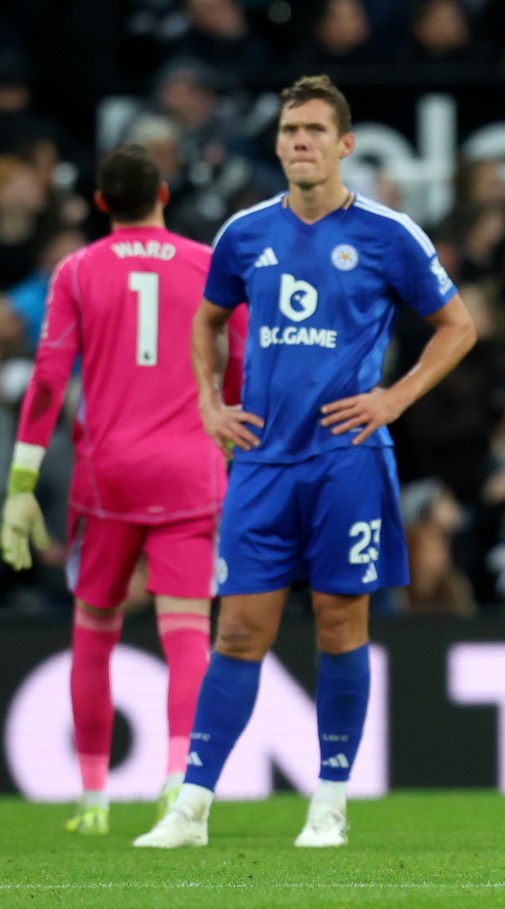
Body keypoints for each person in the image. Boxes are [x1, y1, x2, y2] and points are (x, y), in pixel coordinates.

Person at [134, 74, 476, 849]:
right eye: (290, 130)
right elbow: (208, 319)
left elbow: (457, 326)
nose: (299, 142)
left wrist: (393, 397)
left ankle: (329, 799)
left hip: (347, 460)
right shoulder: (245, 232)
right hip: (262, 461)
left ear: (343, 144)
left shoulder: (389, 233)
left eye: (315, 131)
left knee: (338, 622)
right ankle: (191, 806)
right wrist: (208, 405)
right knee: (238, 632)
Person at [0, 143, 246, 834]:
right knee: (188, 632)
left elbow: (48, 378)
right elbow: (242, 353)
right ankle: (177, 778)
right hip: (188, 467)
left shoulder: (75, 270)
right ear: (163, 194)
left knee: (94, 631)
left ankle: (93, 797)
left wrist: (21, 484)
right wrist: (227, 420)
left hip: (105, 476)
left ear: (101, 203)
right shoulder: (206, 264)